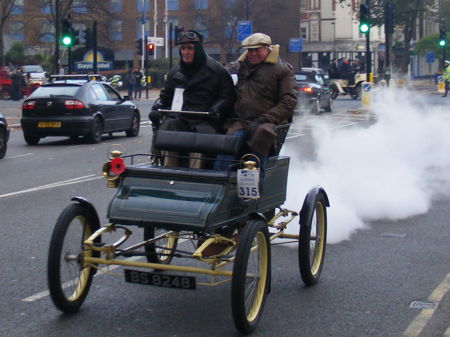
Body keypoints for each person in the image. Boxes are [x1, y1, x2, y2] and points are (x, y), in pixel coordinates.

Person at [149, 29, 235, 167]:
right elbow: (165, 96)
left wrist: (218, 106)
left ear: (198, 49)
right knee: (167, 132)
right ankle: (167, 170)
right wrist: (158, 105)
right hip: (180, 119)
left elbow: (228, 97)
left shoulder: (218, 71)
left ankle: (196, 176)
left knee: (199, 141)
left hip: (205, 120)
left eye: (190, 48)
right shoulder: (175, 72)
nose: (185, 52)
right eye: (183, 48)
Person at [217, 32, 297, 176]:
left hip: (268, 122)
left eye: (256, 50)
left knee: (260, 137)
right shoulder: (242, 67)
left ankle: (256, 185)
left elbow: (288, 101)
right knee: (227, 143)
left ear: (267, 49)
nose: (252, 54)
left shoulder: (283, 69)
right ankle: (220, 181)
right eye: (250, 50)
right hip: (242, 120)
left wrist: (264, 120)